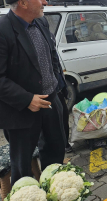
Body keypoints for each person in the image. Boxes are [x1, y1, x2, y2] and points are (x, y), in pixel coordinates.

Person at [0, 0, 65, 185]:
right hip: (22, 110)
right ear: (23, 3)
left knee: (55, 151)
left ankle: (53, 189)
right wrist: (27, 99)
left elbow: (51, 53)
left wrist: (57, 83)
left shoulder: (41, 22)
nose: (44, 1)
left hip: (51, 101)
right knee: (22, 163)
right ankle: (27, 195)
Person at [37, 17, 73, 153]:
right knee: (50, 124)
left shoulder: (48, 36)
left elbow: (55, 61)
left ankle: (65, 144)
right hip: (45, 89)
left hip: (56, 84)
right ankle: (53, 148)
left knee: (63, 116)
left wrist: (62, 85)